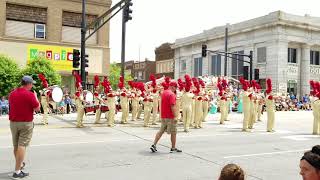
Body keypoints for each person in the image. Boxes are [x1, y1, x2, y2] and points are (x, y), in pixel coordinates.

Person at [8, 76, 40, 178]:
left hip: (13, 123)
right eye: (32, 84)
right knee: (22, 145)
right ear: (29, 84)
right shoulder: (30, 95)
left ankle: (20, 164)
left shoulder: (12, 94)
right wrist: (35, 97)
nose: (32, 86)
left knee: (16, 146)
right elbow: (37, 108)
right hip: (25, 123)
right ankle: (17, 172)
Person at [150, 80, 182, 153]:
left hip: (163, 115)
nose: (176, 89)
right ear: (173, 87)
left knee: (161, 131)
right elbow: (172, 106)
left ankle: (154, 144)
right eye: (176, 88)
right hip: (170, 116)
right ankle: (173, 148)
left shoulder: (164, 92)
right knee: (174, 132)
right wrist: (176, 116)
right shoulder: (172, 94)